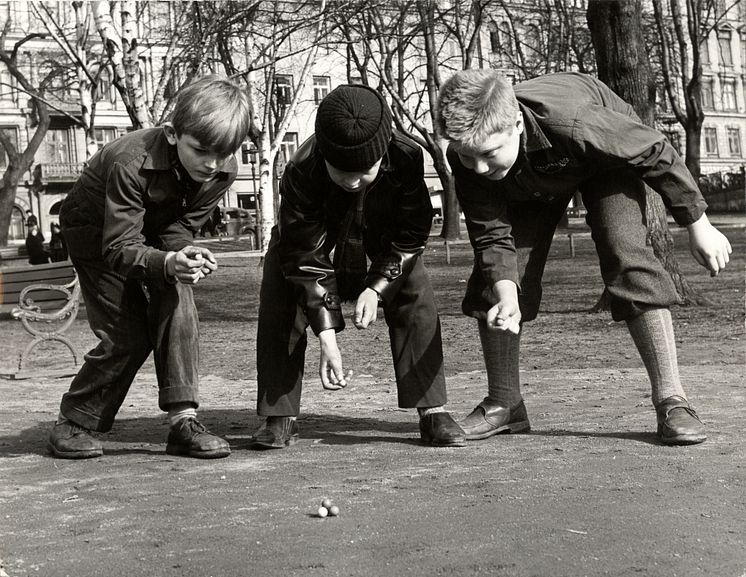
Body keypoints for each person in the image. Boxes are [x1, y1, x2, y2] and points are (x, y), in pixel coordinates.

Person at [435, 70, 732, 446]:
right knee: (493, 280)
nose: (477, 167)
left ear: (515, 124)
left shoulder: (574, 121)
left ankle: (673, 401)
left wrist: (698, 222)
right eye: (466, 155)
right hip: (532, 176)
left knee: (626, 253)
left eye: (488, 154)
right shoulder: (472, 155)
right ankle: (505, 403)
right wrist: (507, 292)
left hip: (605, 161)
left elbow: (654, 149)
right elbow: (492, 234)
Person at [47, 74, 251, 459]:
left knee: (178, 298)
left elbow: (180, 226)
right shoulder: (130, 161)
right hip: (95, 233)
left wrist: (182, 256)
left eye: (223, 153)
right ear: (173, 134)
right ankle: (74, 420)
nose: (212, 164)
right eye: (202, 150)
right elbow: (119, 246)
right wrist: (167, 260)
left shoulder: (224, 168)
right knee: (128, 333)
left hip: (152, 231)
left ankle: (183, 422)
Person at [252, 84, 465, 448]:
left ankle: (432, 409)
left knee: (416, 292)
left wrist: (378, 285)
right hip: (313, 255)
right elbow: (305, 258)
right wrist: (328, 340)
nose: (352, 181)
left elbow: (412, 232)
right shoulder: (301, 168)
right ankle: (279, 414)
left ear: (383, 152)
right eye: (341, 171)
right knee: (281, 288)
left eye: (364, 170)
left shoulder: (407, 157)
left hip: (382, 247)